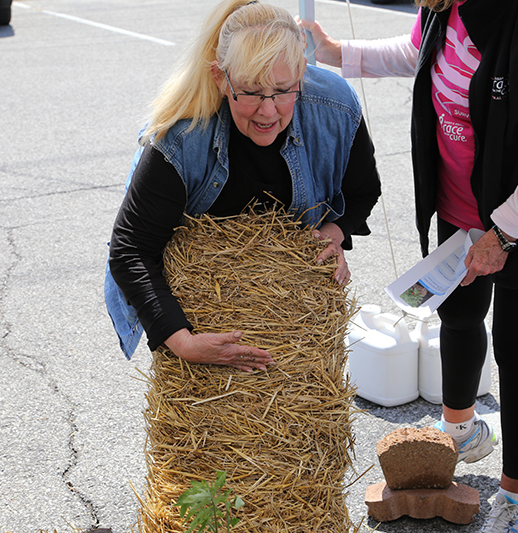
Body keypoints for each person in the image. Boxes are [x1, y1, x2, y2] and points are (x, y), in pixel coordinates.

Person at [298, 0, 518, 531]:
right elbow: (419, 50)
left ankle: (515, 495)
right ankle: (458, 430)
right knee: (457, 318)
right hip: (460, 208)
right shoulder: (447, 6)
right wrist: (337, 53)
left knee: (517, 347)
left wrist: (504, 230)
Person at [105, 0, 381, 371]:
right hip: (201, 303)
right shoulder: (182, 136)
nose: (268, 111)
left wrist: (334, 230)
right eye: (250, 91)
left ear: (301, 74)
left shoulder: (335, 106)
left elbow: (364, 189)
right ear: (222, 78)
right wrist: (183, 342)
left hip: (294, 324)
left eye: (283, 90)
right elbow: (131, 249)